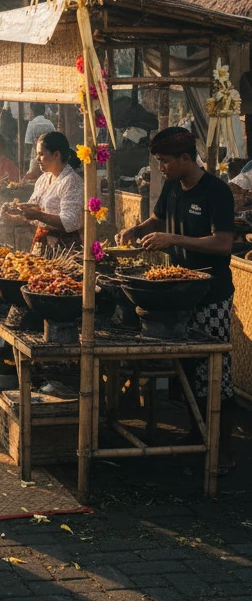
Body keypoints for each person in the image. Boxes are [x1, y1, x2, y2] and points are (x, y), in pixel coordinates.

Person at [117, 126, 236, 470]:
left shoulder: (216, 192)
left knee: (215, 373)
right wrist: (137, 229)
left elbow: (223, 243)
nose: (161, 167)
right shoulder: (172, 185)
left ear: (186, 158)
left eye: (165, 161)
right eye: (158, 161)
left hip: (211, 296)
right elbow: (158, 217)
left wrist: (174, 239)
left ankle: (222, 448)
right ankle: (197, 434)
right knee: (185, 367)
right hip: (176, 293)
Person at [0, 131, 83, 251]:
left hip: (63, 248)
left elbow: (69, 221)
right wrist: (16, 210)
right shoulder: (43, 179)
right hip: (41, 243)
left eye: (41, 154)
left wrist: (38, 215)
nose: (37, 159)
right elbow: (34, 208)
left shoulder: (71, 181)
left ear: (56, 155)